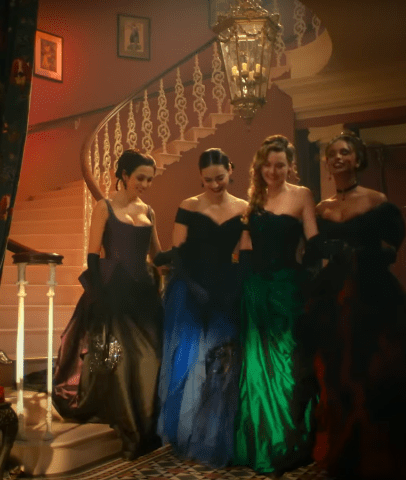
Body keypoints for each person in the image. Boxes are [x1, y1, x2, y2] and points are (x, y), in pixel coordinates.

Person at [304, 131, 406, 479]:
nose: (338, 158)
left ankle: (384, 451)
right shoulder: (321, 209)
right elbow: (314, 251)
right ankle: (347, 449)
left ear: (357, 159)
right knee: (339, 374)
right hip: (334, 298)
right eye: (332, 154)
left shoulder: (377, 201)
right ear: (326, 163)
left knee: (379, 372)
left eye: (345, 152)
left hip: (374, 295)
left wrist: (364, 254)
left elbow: (391, 248)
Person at [52, 149, 164, 460]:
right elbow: (92, 255)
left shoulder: (149, 211)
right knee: (120, 360)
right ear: (124, 175)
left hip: (144, 294)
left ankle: (147, 424)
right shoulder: (104, 207)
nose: (145, 184)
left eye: (149, 180)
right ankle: (130, 428)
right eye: (140, 178)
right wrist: (98, 297)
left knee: (151, 359)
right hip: (113, 292)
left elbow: (157, 254)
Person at [153, 149, 248, 467]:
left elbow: (245, 253)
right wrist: (194, 289)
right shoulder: (189, 205)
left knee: (221, 363)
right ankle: (186, 434)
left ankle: (212, 436)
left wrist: (238, 287)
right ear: (200, 178)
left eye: (220, 178)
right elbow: (178, 253)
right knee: (187, 363)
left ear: (230, 170)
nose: (215, 184)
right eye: (208, 180)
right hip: (189, 289)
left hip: (226, 287)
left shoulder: (244, 208)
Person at [232, 135, 319, 474]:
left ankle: (289, 441)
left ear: (290, 166)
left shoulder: (302, 195)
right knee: (256, 368)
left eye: (280, 165)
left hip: (288, 288)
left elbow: (313, 242)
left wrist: (309, 280)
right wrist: (244, 287)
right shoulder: (253, 200)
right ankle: (261, 442)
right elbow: (245, 249)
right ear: (259, 167)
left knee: (291, 364)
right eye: (267, 165)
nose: (273, 170)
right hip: (256, 291)